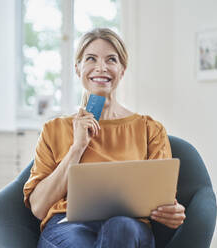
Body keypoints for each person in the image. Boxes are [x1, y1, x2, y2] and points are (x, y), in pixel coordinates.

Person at [23, 28, 186, 248]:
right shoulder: (54, 129)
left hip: (129, 228)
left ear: (122, 70)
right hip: (67, 226)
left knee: (120, 228)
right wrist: (77, 147)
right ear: (77, 68)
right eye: (91, 58)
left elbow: (162, 200)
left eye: (111, 59)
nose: (101, 67)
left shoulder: (150, 129)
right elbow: (39, 208)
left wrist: (172, 212)